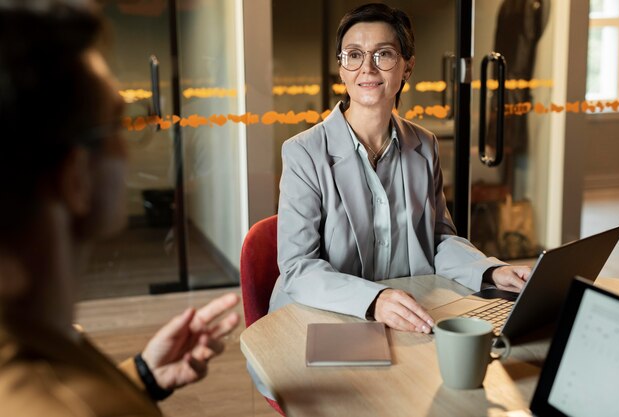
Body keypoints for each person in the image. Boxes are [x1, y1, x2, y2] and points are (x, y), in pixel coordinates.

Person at [0, 1, 239, 416]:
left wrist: (142, 375)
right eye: (117, 122)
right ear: (75, 176)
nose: (128, 147)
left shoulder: (31, 334)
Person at [269, 3, 531, 334]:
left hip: (407, 312)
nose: (367, 68)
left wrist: (490, 271)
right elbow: (297, 267)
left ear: (406, 67)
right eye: (354, 55)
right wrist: (374, 299)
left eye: (384, 55)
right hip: (323, 316)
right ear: (342, 68)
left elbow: (438, 239)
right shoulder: (303, 153)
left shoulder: (425, 146)